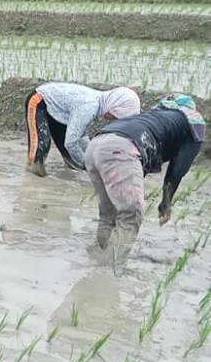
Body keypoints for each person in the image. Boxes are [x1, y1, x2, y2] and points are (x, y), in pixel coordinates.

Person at [85, 94, 205, 253]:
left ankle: (97, 258)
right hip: (121, 148)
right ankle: (114, 266)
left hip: (95, 145)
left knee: (108, 214)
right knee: (131, 214)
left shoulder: (152, 117)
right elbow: (178, 170)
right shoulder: (194, 123)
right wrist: (165, 203)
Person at [25, 83, 140, 177]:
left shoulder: (98, 105)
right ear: (115, 108)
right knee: (41, 147)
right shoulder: (89, 107)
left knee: (72, 160)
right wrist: (88, 166)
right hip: (39, 99)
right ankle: (32, 179)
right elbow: (71, 143)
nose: (114, 121)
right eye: (117, 118)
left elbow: (82, 136)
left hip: (60, 111)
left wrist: (94, 158)